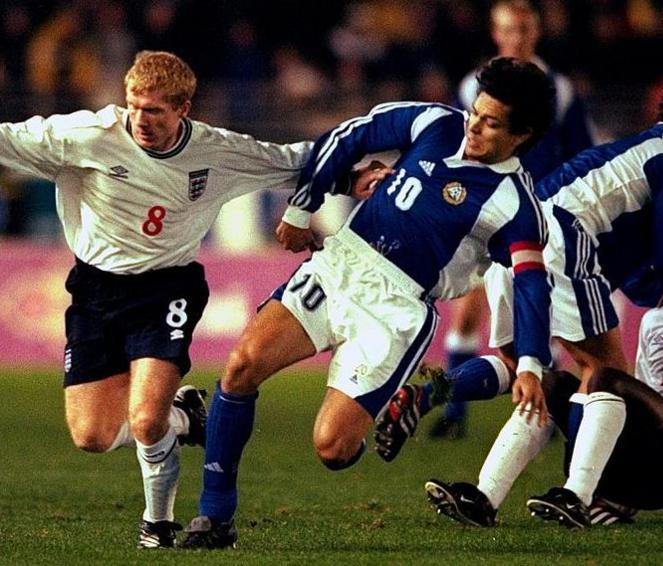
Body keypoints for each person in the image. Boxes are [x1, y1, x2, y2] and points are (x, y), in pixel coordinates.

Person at [0, 51, 320, 549]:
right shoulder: (88, 135)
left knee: (144, 418)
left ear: (185, 108)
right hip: (94, 292)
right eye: (134, 106)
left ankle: (157, 523)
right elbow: (7, 136)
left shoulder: (217, 151)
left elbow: (296, 160)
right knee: (91, 436)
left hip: (167, 288)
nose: (142, 120)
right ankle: (186, 417)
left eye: (155, 110)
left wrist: (356, 174)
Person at [179, 57, 556, 549]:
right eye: (475, 112)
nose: (474, 126)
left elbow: (531, 281)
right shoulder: (437, 123)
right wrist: (301, 208)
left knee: (333, 448)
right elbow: (349, 136)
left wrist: (529, 362)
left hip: (396, 308)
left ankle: (392, 407)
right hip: (342, 265)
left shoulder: (516, 206)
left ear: (521, 135)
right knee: (241, 367)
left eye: (490, 123)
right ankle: (214, 518)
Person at [374, 74, 663, 464]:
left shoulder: (635, 154)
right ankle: (580, 488)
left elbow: (633, 265)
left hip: (514, 238)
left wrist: (658, 287)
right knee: (605, 374)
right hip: (561, 239)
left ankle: (426, 395)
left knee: (523, 367)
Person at [425, 234, 663, 529]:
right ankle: (484, 498)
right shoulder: (658, 320)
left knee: (606, 377)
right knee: (548, 384)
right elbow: (645, 397)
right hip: (657, 457)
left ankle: (577, 497)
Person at [438, 0, 596, 439]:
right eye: (509, 29)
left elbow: (581, 156)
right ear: (495, 33)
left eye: (524, 29)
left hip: (540, 216)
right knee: (468, 312)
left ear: (536, 32)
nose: (517, 38)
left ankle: (548, 412)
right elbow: (458, 144)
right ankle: (455, 416)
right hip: (486, 214)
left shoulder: (558, 90)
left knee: (547, 315)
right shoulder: (474, 87)